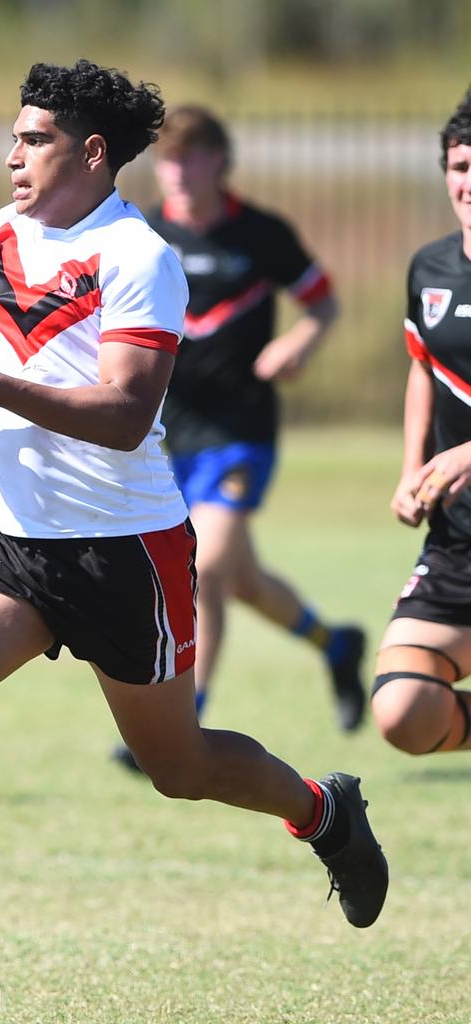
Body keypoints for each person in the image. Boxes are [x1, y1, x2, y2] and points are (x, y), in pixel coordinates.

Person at [0, 61, 388, 1024]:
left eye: (33, 139)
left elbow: (121, 410)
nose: (11, 154)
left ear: (91, 153)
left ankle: (324, 811)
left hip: (125, 551)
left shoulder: (138, 257)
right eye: (14, 136)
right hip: (12, 538)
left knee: (178, 769)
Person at [110, 105, 365, 778]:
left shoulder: (261, 234)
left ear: (219, 162)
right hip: (167, 435)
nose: (179, 172)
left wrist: (299, 342)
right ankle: (335, 644)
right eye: (168, 159)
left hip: (242, 432)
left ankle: (186, 717)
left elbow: (324, 302)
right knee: (242, 581)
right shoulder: (142, 234)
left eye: (191, 157)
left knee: (209, 566)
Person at [371, 88, 471, 759]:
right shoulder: (431, 267)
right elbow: (422, 367)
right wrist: (413, 468)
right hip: (460, 539)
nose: (470, 182)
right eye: (461, 166)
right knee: (403, 710)